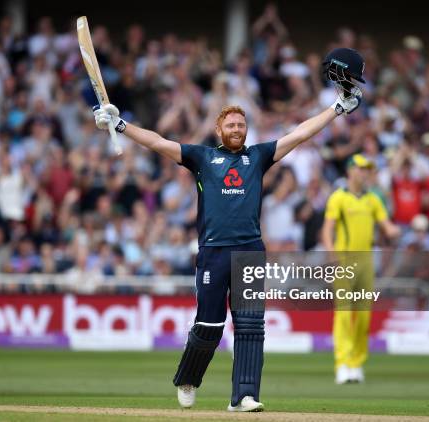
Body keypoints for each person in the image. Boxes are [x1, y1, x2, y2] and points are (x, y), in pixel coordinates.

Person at [94, 49, 365, 412]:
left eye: (241, 124)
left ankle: (245, 396)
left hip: (250, 250)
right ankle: (188, 378)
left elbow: (300, 134)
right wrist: (121, 124)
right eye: (231, 125)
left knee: (251, 326)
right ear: (219, 130)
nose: (237, 129)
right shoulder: (202, 158)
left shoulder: (259, 156)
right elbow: (158, 142)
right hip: (213, 251)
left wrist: (335, 109)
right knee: (208, 324)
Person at [321, 154, 400, 385]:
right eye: (361, 169)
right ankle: (342, 363)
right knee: (344, 314)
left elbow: (387, 227)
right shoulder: (339, 197)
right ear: (350, 171)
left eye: (367, 169)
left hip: (366, 262)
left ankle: (356, 363)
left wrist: (396, 230)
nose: (365, 173)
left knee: (364, 316)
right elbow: (327, 231)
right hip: (344, 261)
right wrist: (332, 256)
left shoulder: (373, 199)